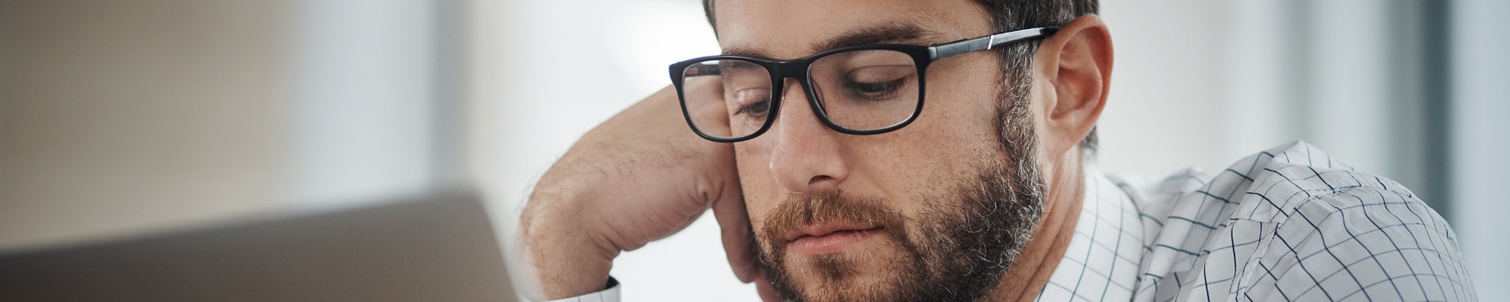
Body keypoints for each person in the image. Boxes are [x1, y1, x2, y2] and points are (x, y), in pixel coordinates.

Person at [518, 0, 1477, 301]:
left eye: (875, 80)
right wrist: (562, 244)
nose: (791, 161)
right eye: (754, 94)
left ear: (1066, 87)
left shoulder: (1310, 250)